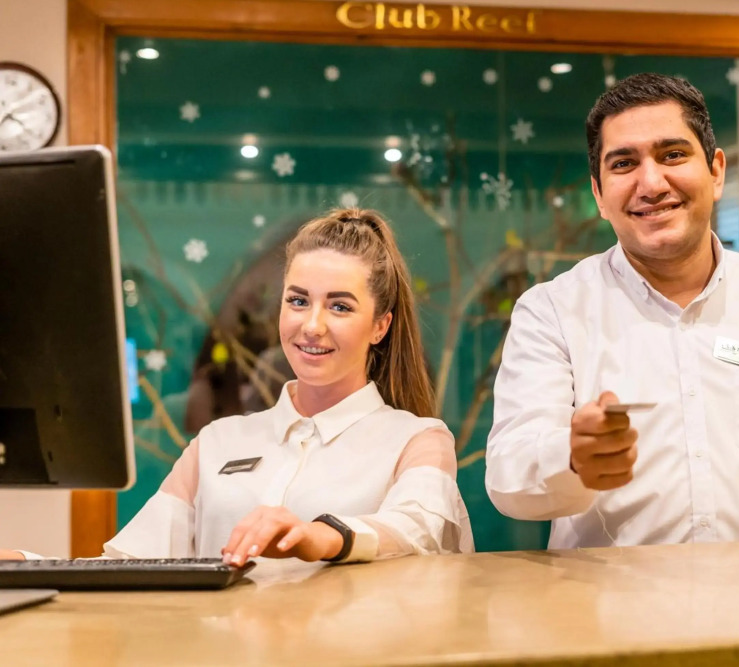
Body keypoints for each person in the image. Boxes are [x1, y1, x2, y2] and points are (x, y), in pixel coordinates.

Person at [484, 73, 739, 549]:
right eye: (624, 163)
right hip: (607, 597)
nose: (651, 184)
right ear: (599, 195)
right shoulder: (553, 312)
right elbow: (508, 478)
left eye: (672, 155)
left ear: (716, 171)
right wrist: (571, 456)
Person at [1, 208, 473, 565]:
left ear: (380, 326)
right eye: (298, 300)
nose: (312, 325)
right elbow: (128, 566)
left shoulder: (417, 440)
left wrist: (320, 536)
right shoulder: (217, 442)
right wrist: (27, 565)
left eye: (340, 307)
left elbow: (417, 529)